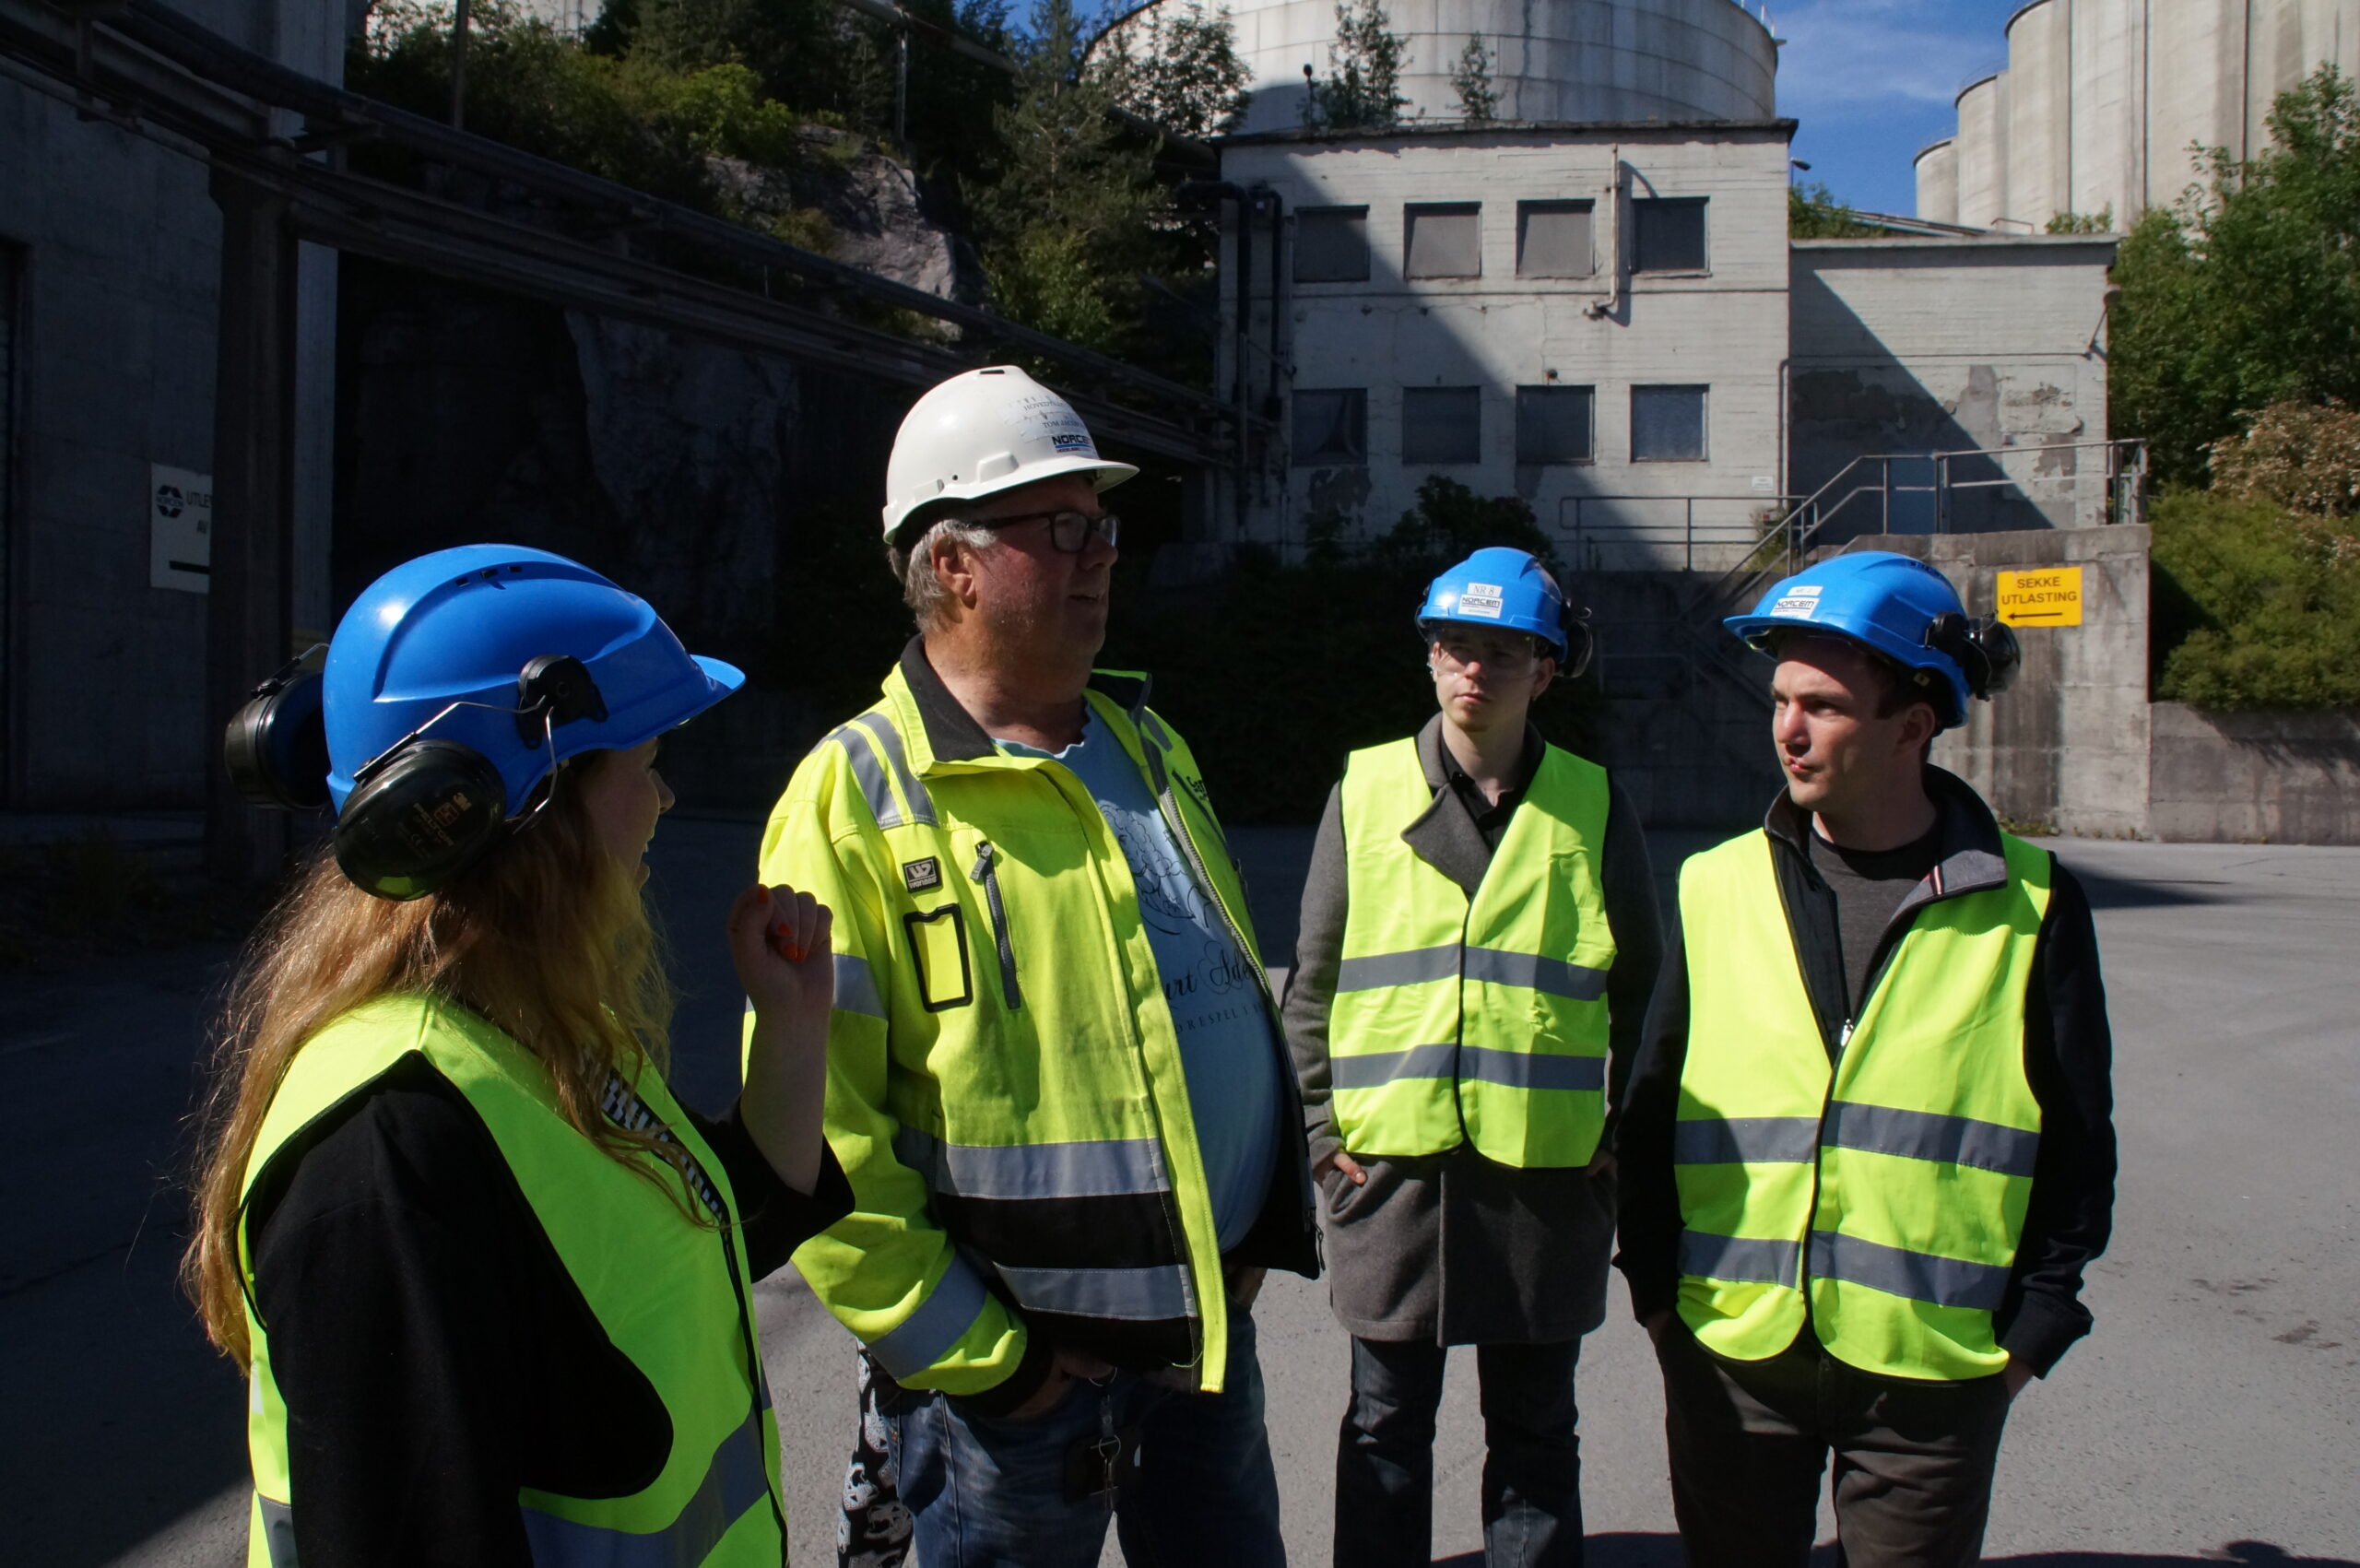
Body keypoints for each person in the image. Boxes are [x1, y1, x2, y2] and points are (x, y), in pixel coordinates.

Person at [183, 544, 852, 1566]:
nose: (664, 802)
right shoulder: (385, 1158)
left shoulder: (528, 1034)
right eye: (647, 765)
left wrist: (795, 1027)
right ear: (530, 810)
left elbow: (699, 1246)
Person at [760, 364, 1316, 1566]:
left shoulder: (1148, 741)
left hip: (1203, 1340)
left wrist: (1256, 1227)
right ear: (950, 562)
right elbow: (817, 1138)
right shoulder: (852, 797)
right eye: (1060, 527)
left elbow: (1215, 1000)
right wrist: (988, 1363)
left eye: (1103, 525)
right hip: (1013, 1397)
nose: (1101, 553)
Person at [1615, 550, 2118, 1567]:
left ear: (1911, 728)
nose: (1787, 731)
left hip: (1932, 1374)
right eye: (1782, 701)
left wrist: (2030, 1336)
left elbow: (2074, 1141)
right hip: (1735, 1353)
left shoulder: (2031, 901)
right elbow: (1651, 1112)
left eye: (1824, 708)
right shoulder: (1712, 886)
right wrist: (1662, 1302)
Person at [1282, 547, 1661, 1568]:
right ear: (1429, 656)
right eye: (1454, 647)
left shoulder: (1590, 802)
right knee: (1383, 1429)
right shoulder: (1365, 792)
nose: (1472, 672)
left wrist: (1615, 1134)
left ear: (1546, 670)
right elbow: (1309, 985)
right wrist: (1322, 1134)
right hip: (1392, 1175)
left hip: (1544, 1178)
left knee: (1536, 1434)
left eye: (1502, 652)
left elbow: (1643, 991)